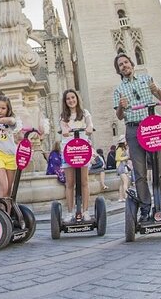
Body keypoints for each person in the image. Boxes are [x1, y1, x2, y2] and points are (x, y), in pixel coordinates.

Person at [113, 53, 161, 222]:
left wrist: (157, 90)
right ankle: (145, 208)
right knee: (140, 173)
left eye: (126, 62)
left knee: (160, 169)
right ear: (119, 70)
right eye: (120, 65)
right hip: (133, 129)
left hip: (152, 126)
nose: (124, 66)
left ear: (132, 63)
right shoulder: (118, 90)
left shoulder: (147, 79)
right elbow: (119, 116)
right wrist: (122, 108)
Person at [59, 89, 94, 223]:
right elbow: (63, 127)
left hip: (82, 149)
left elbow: (90, 124)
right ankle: (70, 211)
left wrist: (90, 127)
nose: (71, 100)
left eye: (73, 97)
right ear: (65, 101)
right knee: (70, 183)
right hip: (68, 150)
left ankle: (85, 211)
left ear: (77, 98)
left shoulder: (85, 113)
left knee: (84, 181)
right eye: (68, 99)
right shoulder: (63, 116)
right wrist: (65, 130)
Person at [115, 136, 130, 202]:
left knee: (122, 183)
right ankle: (126, 197)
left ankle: (121, 198)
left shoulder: (122, 149)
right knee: (125, 181)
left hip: (123, 166)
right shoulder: (119, 149)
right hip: (121, 166)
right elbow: (117, 158)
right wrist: (126, 157)